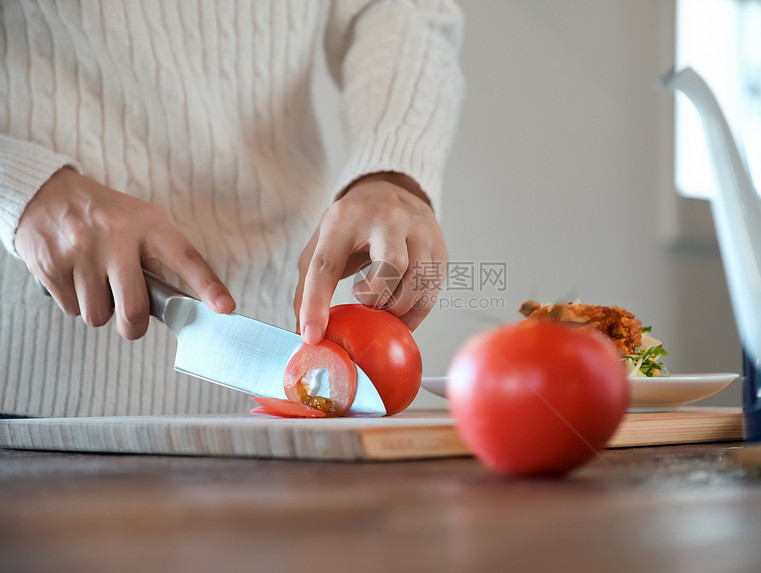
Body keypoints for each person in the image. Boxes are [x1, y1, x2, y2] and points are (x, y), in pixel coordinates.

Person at [0, 1, 464, 417]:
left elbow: (400, 10)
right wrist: (20, 186)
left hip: (268, 408)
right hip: (25, 389)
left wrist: (394, 173)